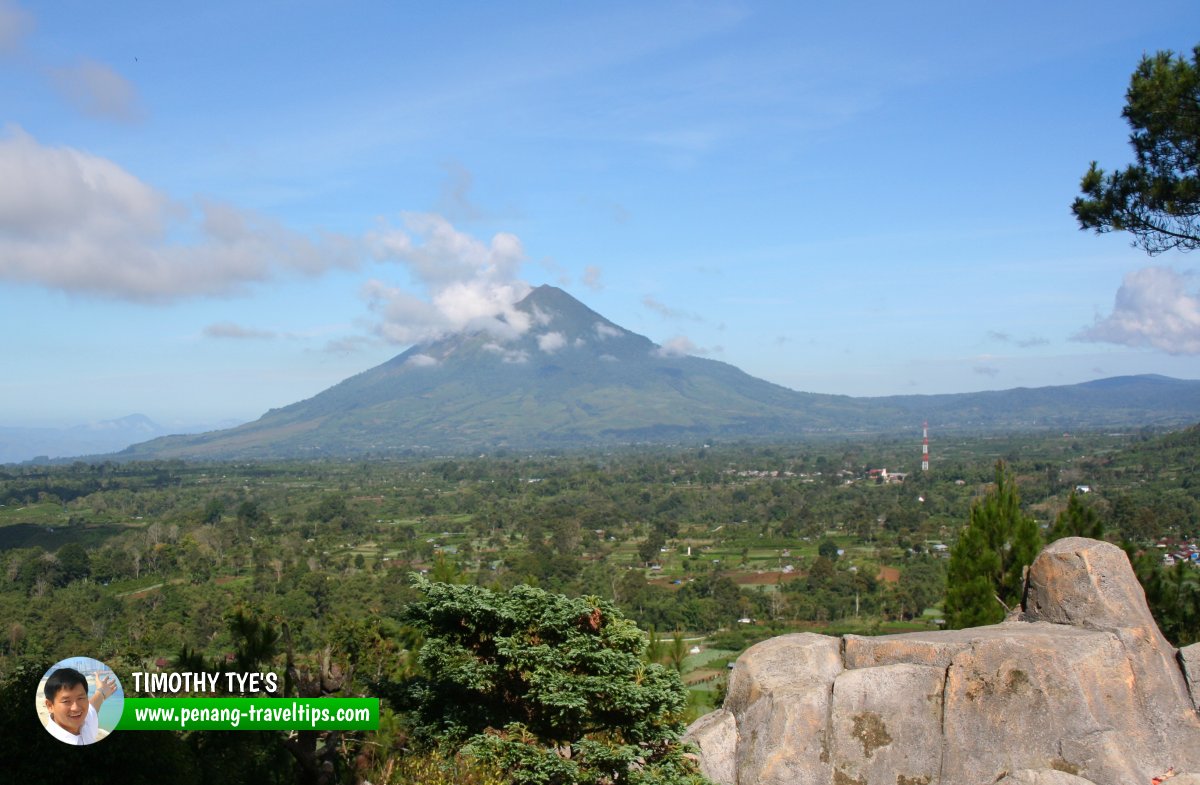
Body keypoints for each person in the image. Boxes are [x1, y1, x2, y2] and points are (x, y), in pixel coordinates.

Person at [42, 667, 116, 745]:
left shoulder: (86, 720)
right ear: (50, 706)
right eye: (66, 701)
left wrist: (101, 691)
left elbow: (93, 705)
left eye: (80, 698)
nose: (76, 708)